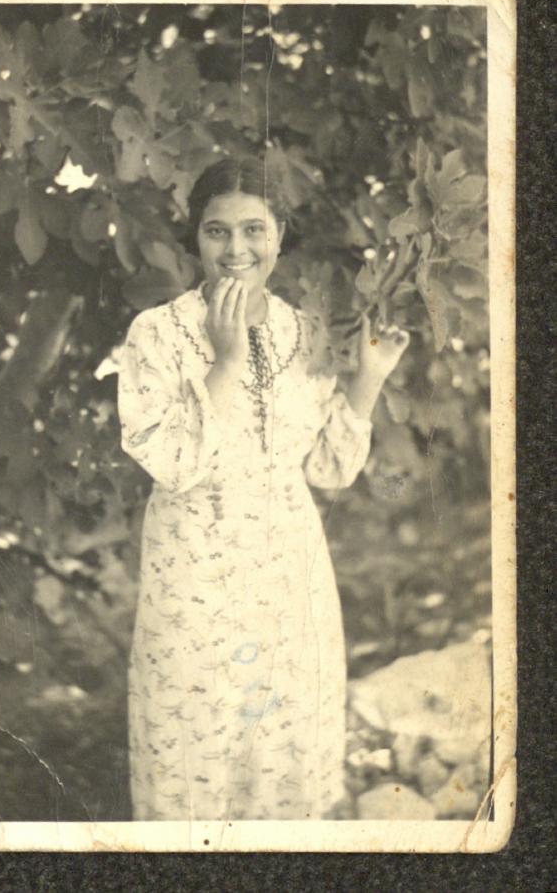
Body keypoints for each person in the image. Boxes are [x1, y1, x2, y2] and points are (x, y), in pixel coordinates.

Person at [117, 157, 409, 821]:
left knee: (284, 754)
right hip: (194, 571)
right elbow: (173, 461)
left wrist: (369, 376)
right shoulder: (155, 335)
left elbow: (328, 470)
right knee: (192, 751)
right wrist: (223, 362)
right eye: (217, 231)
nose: (237, 249)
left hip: (288, 572)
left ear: (279, 236)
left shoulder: (304, 332)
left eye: (255, 229)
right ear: (195, 238)